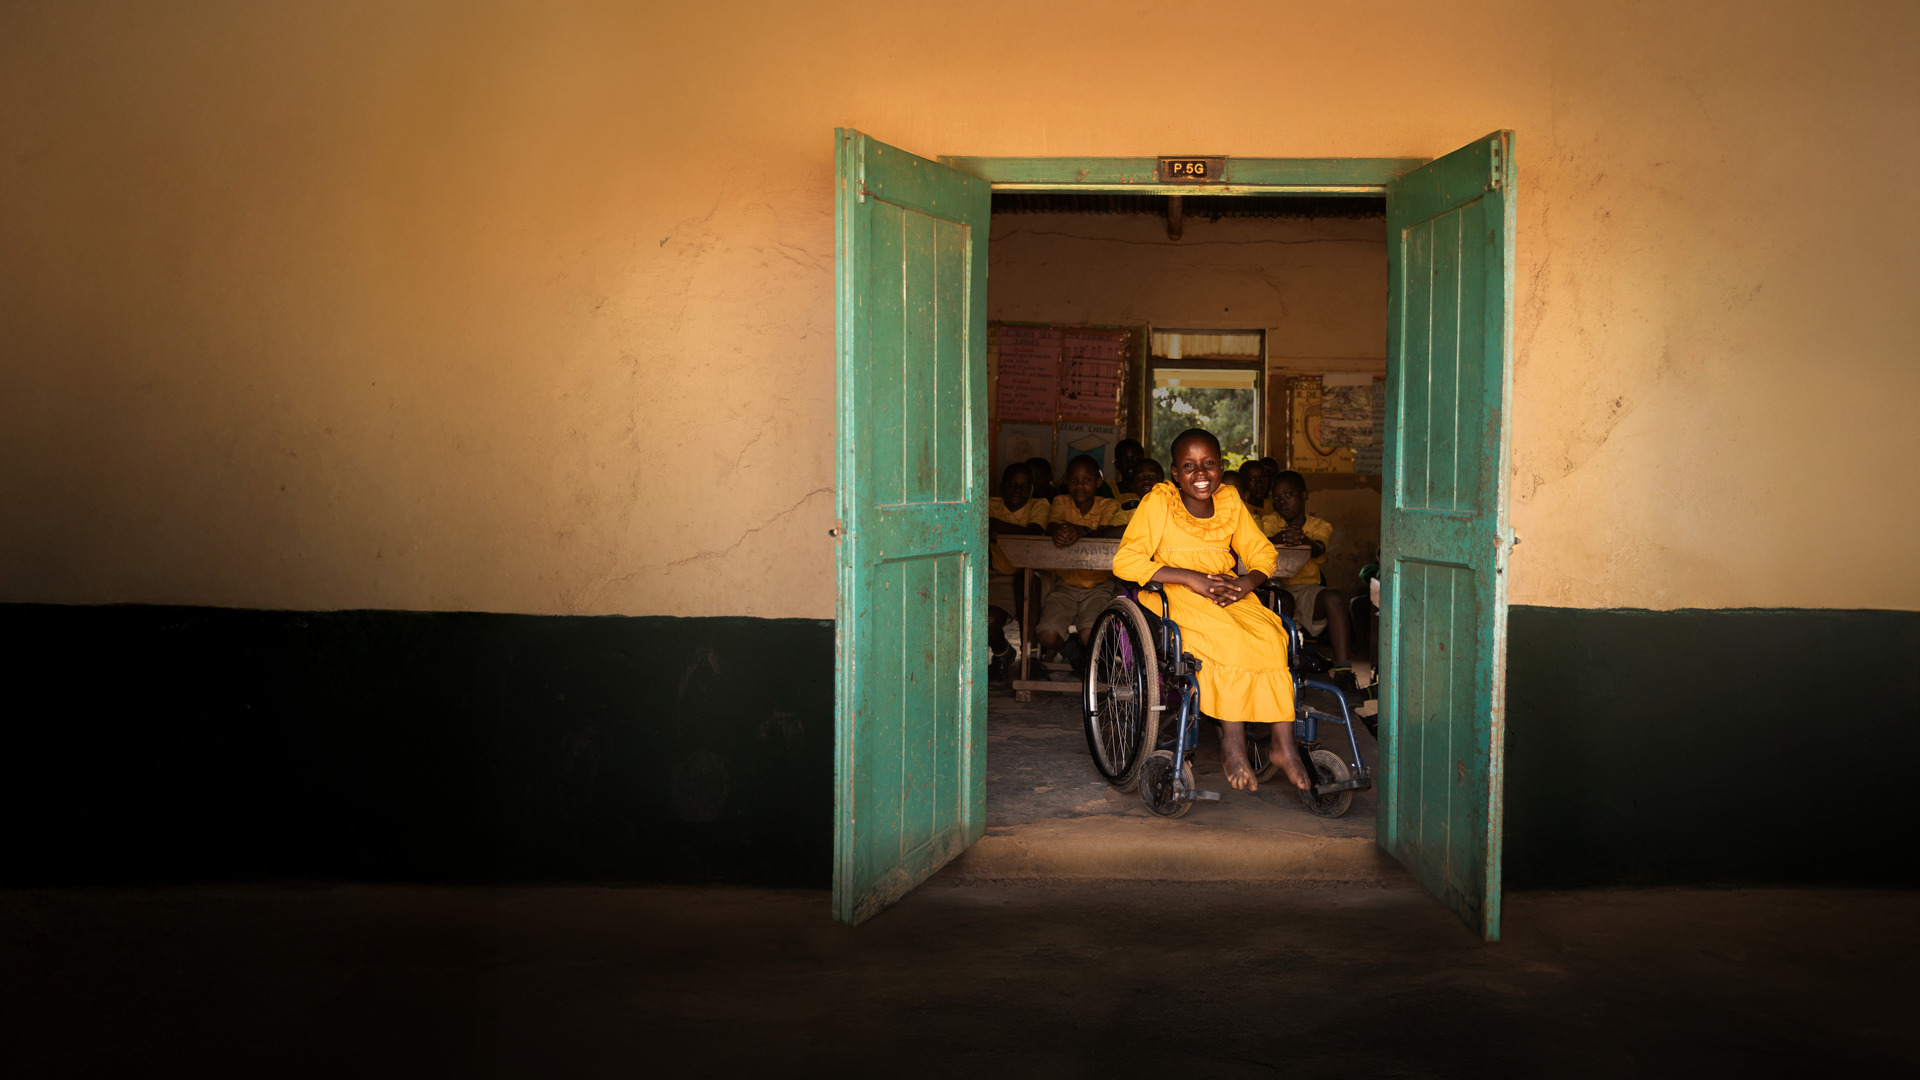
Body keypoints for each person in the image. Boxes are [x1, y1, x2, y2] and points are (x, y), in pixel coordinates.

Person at [1112, 429, 1311, 793]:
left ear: (1221, 467)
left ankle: (1284, 746)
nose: (1200, 473)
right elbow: (1126, 562)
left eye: (1208, 464)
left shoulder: (1231, 501)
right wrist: (1191, 579)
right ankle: (1232, 746)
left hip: (1228, 591)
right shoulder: (1159, 502)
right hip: (1175, 593)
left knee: (1273, 637)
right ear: (1174, 473)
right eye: (1189, 466)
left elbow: (1263, 553)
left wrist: (1246, 583)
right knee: (1230, 639)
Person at [1035, 455, 1126, 671]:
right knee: (1047, 636)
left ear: (1098, 482)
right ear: (1067, 482)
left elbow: (1104, 533)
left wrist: (1080, 530)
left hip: (1099, 586)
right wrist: (1059, 531)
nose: (1080, 486)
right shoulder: (1060, 502)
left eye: (1087, 480)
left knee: (1090, 634)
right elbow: (1051, 527)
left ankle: (1097, 668)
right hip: (1064, 586)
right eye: (1074, 480)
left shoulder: (1110, 505)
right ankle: (1073, 652)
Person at [1270, 469, 1357, 687]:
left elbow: (1319, 548)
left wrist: (1304, 539)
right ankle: (1283, 665)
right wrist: (1277, 538)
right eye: (1277, 498)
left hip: (1307, 590)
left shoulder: (1320, 525)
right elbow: (1261, 545)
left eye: (1288, 495)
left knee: (1334, 598)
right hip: (1275, 588)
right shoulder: (1269, 521)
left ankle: (1344, 671)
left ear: (1304, 495)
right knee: (1284, 601)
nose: (1282, 502)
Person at [987, 462, 1050, 680]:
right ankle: (1003, 653)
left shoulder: (1039, 506)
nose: (1017, 491)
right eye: (1012, 485)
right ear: (1002, 485)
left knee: (1028, 586)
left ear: (1032, 490)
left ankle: (1031, 658)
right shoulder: (989, 504)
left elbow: (1031, 533)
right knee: (988, 622)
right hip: (1000, 577)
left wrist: (993, 524)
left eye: (1024, 487)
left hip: (1033, 575)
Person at [1111, 458, 1164, 528]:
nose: (1146, 480)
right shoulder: (1129, 507)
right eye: (1140, 477)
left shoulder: (1170, 504)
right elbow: (1109, 532)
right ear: (1133, 484)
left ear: (1162, 481)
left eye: (1152, 476)